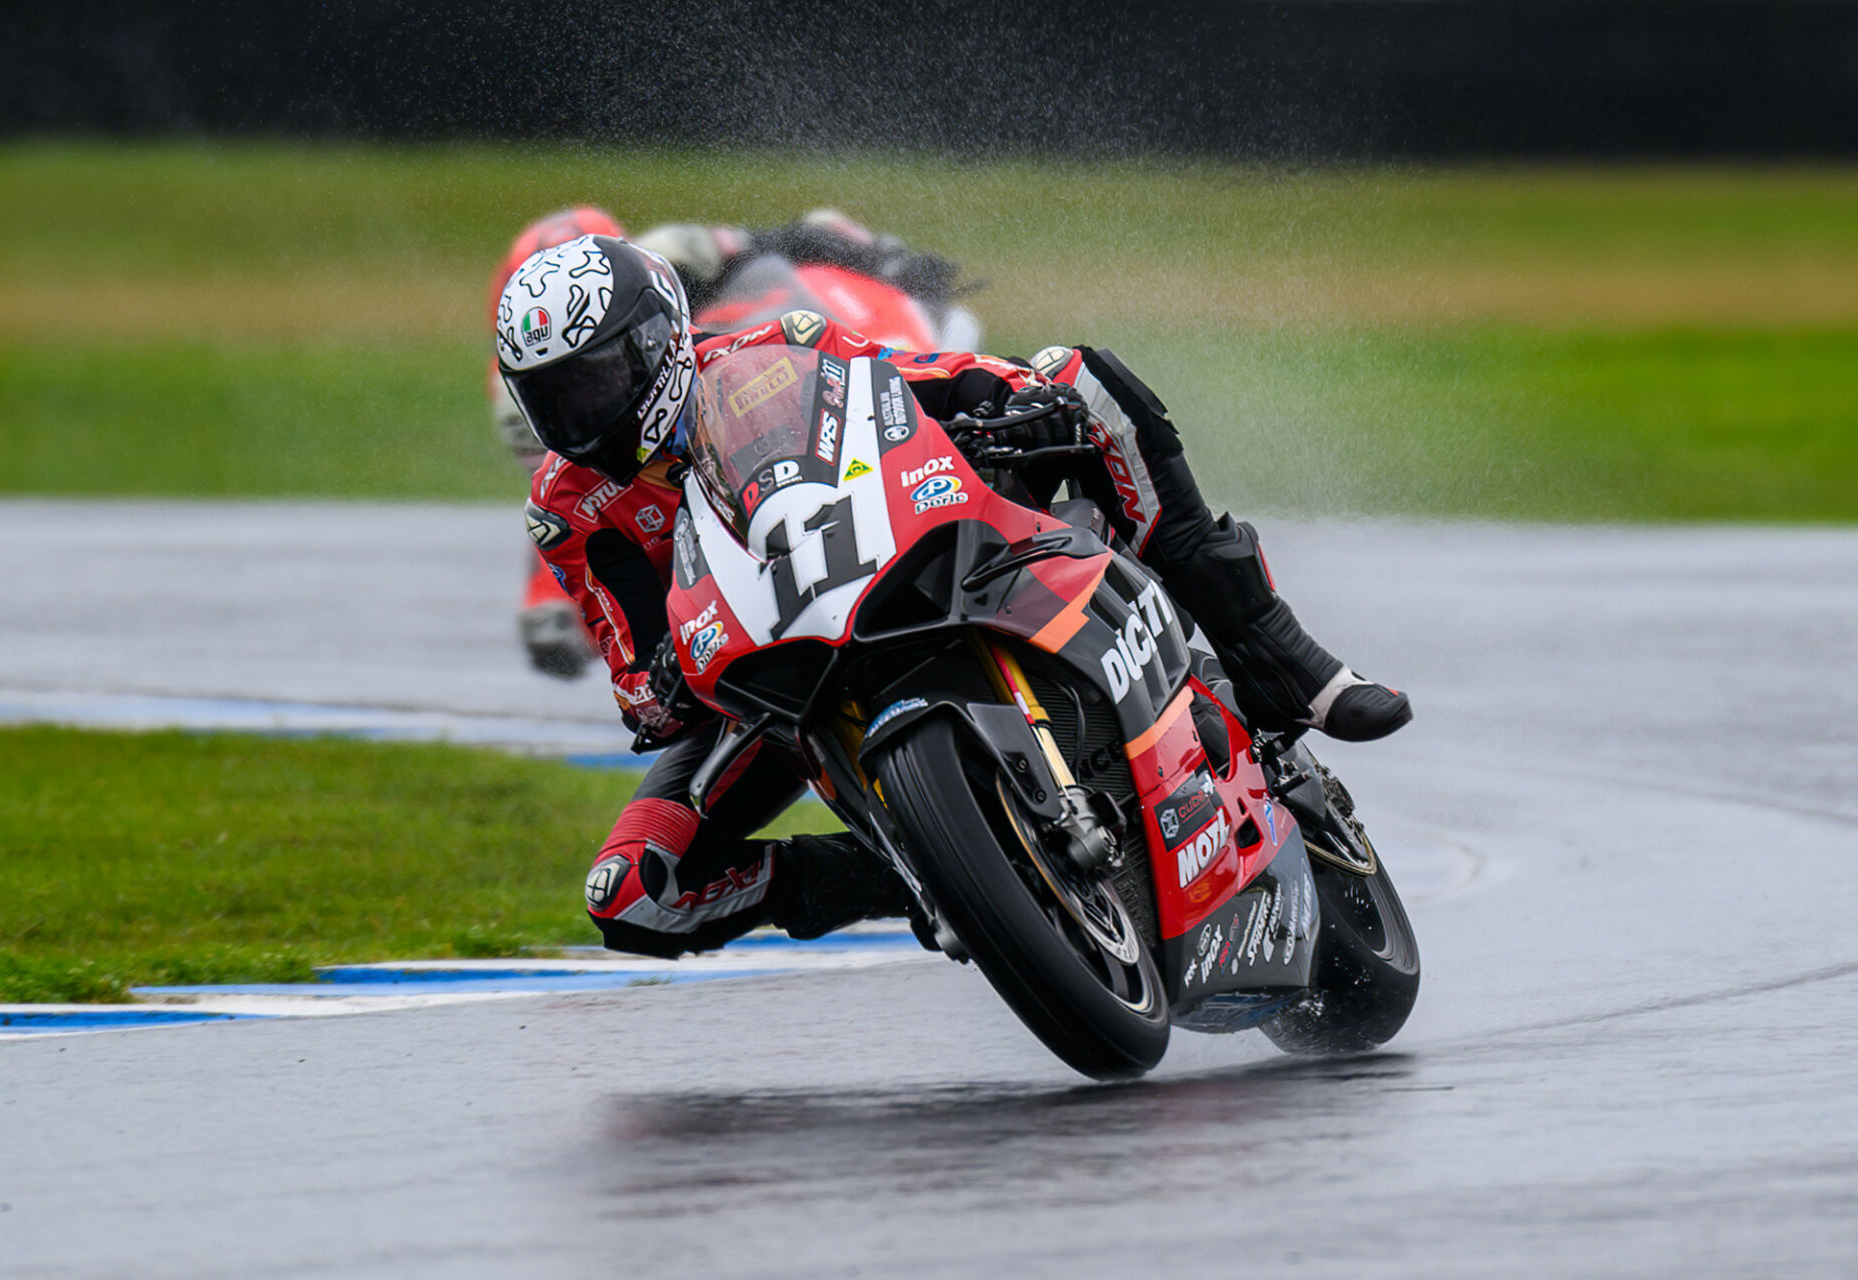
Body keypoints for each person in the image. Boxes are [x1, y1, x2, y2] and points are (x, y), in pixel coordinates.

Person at [494, 234, 1411, 959]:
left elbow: (907, 383)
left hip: (896, 555)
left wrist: (1009, 394)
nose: (582, 415)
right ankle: (923, 870)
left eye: (597, 379)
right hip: (763, 683)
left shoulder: (775, 346)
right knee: (632, 893)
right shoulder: (567, 510)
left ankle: (1278, 653)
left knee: (1083, 378)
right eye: (554, 398)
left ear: (655, 341)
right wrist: (661, 675)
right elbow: (645, 701)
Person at [488, 207, 976, 678]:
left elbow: (801, 234)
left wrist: (882, 260)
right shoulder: (528, 388)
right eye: (564, 398)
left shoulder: (672, 256)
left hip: (752, 362)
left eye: (597, 377)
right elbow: (572, 497)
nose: (582, 401)